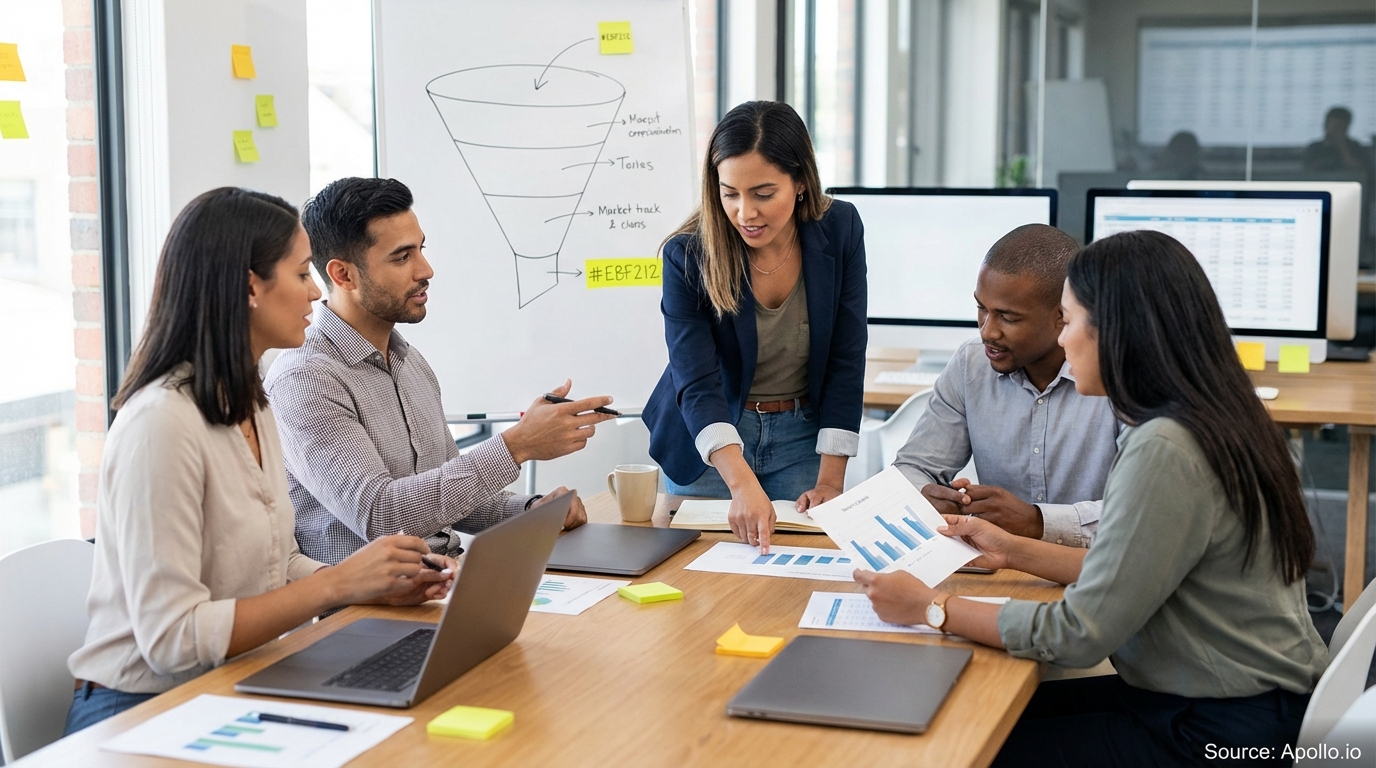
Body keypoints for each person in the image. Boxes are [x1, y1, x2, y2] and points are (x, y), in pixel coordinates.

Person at [857, 229, 1328, 766]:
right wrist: (1012, 550)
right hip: (1234, 702)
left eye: (1071, 320)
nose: (1062, 341)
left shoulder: (1166, 447)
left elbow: (1077, 633)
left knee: (963, 744)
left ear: (1119, 332)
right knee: (971, 711)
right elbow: (1129, 568)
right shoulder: (1204, 415)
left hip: (1223, 731)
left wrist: (931, 608)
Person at [65, 188, 456, 733]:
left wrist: (373, 581)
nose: (317, 293)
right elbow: (173, 641)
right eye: (301, 275)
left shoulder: (249, 401)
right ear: (252, 286)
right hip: (142, 708)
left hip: (237, 679)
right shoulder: (162, 423)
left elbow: (275, 565)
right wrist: (337, 586)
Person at [266, 177, 615, 566]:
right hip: (371, 609)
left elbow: (448, 502)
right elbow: (381, 515)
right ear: (343, 275)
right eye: (402, 257)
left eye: (421, 249)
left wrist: (533, 509)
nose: (425, 269)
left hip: (446, 581)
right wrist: (516, 445)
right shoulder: (304, 379)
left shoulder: (410, 362)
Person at [642, 101, 867, 553]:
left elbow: (846, 356)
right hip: (711, 443)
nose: (745, 213)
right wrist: (741, 483)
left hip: (801, 439)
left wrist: (831, 480)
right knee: (696, 592)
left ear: (801, 181)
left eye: (763, 194)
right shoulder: (688, 255)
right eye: (730, 194)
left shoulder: (839, 227)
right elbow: (697, 383)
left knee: (792, 586)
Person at [893, 224, 1119, 547]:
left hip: (1091, 574)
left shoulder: (1118, 376)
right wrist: (925, 498)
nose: (987, 331)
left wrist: (1037, 522)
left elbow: (1141, 517)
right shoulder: (971, 365)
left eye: (1007, 318)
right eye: (981, 309)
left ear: (1062, 316)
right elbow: (912, 468)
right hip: (997, 569)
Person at [1303, 106, 1374, 176]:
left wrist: (1342, 147)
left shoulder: (1355, 147)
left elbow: (1359, 170)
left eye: (1340, 127)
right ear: (1326, 125)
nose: (1336, 131)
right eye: (1334, 126)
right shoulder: (1314, 148)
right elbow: (1307, 171)